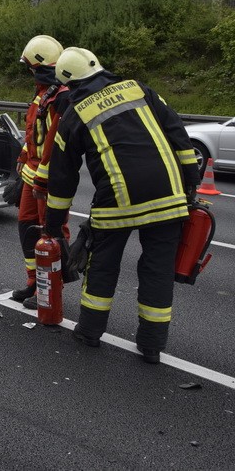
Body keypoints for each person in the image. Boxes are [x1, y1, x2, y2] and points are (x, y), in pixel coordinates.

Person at [45, 47, 200, 364]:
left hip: (117, 202)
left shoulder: (73, 116)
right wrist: (189, 186)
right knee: (157, 270)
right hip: (168, 195)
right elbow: (179, 137)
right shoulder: (138, 89)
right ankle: (152, 346)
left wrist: (52, 226)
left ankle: (89, 333)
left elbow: (62, 179)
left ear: (67, 83)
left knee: (102, 265)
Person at [11, 35, 71, 308]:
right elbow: (34, 133)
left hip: (47, 179)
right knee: (26, 226)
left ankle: (50, 289)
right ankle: (34, 281)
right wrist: (24, 155)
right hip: (32, 174)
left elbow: (54, 145)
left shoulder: (61, 98)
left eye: (32, 67)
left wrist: (43, 178)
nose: (30, 72)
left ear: (43, 67)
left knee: (51, 233)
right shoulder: (42, 93)